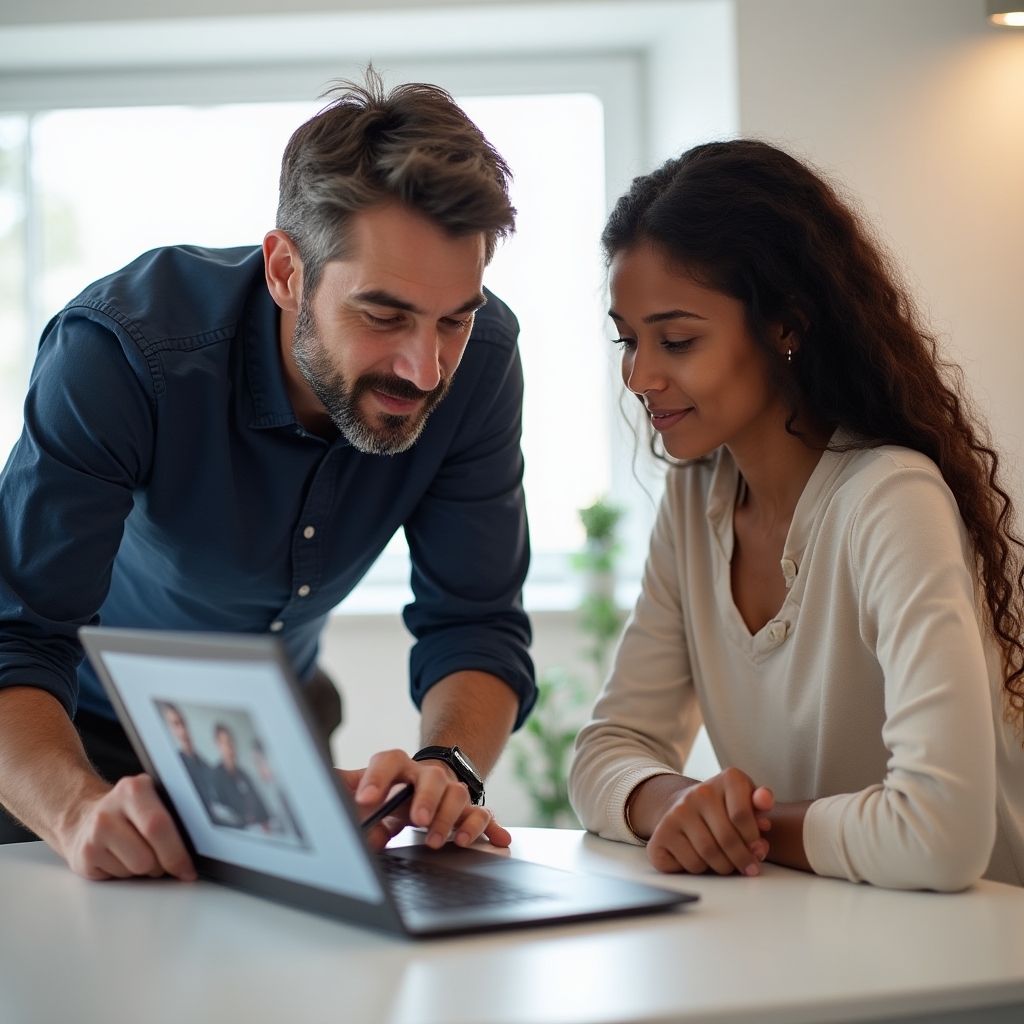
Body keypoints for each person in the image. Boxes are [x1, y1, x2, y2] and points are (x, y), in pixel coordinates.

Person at [0, 71, 535, 880]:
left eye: (453, 318)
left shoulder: (484, 360)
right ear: (286, 271)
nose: (425, 369)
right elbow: (15, 635)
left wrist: (448, 767)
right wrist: (75, 811)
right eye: (383, 315)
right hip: (66, 732)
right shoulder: (118, 355)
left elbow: (477, 620)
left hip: (279, 732)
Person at [569, 140, 1024, 891]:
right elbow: (607, 750)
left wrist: (738, 822)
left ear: (787, 326)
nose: (639, 376)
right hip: (824, 940)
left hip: (976, 961)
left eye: (676, 340)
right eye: (629, 340)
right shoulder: (695, 500)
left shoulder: (890, 501)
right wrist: (682, 804)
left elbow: (942, 834)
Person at [158, 702, 218, 816]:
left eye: (182, 722)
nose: (182, 729)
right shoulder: (174, 765)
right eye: (175, 724)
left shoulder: (204, 763)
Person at [209, 724, 272, 831]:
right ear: (218, 746)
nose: (229, 747)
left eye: (231, 742)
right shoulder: (214, 776)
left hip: (258, 831)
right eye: (224, 743)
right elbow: (220, 812)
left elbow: (261, 807)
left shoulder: (245, 775)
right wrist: (245, 819)